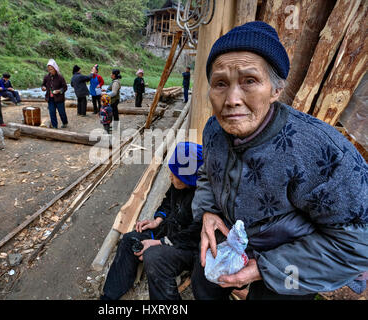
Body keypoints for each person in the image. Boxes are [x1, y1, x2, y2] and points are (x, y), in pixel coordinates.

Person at [190, 21, 367, 300]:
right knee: (203, 282)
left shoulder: (320, 151)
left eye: (249, 81)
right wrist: (208, 212)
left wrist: (264, 268)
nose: (232, 99)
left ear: (275, 90)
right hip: (236, 241)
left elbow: (358, 244)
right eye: (220, 83)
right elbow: (207, 172)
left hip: (295, 257)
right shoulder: (214, 129)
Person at [101, 142, 204, 300]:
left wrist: (161, 242)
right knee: (129, 239)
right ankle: (109, 296)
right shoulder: (179, 184)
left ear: (188, 178)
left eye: (175, 175)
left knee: (152, 256)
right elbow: (168, 202)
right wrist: (157, 220)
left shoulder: (203, 198)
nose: (171, 176)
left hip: (186, 247)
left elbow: (194, 236)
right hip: (168, 231)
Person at [41, 59, 68, 129]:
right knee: (52, 112)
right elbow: (43, 85)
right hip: (50, 98)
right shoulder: (46, 77)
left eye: (51, 69)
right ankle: (55, 126)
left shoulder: (60, 77)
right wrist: (43, 88)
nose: (50, 71)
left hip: (59, 98)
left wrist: (59, 91)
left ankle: (65, 122)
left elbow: (65, 87)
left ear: (55, 68)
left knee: (61, 112)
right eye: (49, 69)